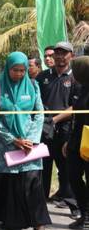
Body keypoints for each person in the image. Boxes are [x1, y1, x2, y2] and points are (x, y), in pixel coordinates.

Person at [0, 52, 51, 230]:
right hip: (5, 143)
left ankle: (39, 225)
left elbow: (39, 113)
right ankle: (9, 219)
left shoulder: (33, 86)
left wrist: (31, 139)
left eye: (22, 70)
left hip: (29, 143)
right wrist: (13, 139)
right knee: (7, 180)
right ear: (7, 68)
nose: (19, 74)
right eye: (15, 70)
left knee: (33, 181)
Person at [36, 42, 80, 217]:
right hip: (44, 131)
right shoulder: (43, 76)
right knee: (42, 169)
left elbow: (75, 106)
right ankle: (39, 210)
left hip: (65, 131)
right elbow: (35, 100)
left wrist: (54, 120)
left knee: (67, 170)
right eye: (57, 53)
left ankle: (75, 207)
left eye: (64, 53)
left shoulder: (77, 77)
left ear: (72, 56)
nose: (60, 56)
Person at [66, 56, 89, 230]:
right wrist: (69, 141)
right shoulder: (81, 89)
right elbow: (76, 117)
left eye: (77, 69)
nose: (74, 73)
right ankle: (85, 212)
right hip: (77, 140)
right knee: (73, 176)